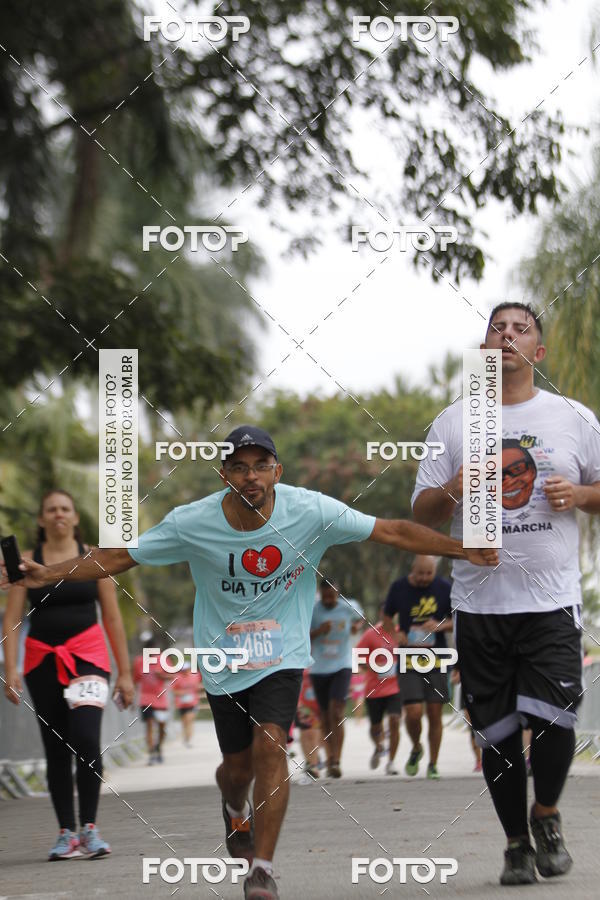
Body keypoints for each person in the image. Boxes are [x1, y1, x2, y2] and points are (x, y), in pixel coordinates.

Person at [3, 426, 497, 900]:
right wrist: (48, 574)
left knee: (271, 744)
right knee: (235, 770)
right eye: (239, 468)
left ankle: (262, 869)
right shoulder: (192, 521)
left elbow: (391, 531)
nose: (251, 478)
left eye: (261, 466)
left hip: (282, 655)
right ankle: (233, 806)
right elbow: (116, 559)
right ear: (223, 476)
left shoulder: (309, 511)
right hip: (224, 660)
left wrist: (463, 549)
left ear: (277, 471)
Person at [412, 302, 600, 885]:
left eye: (521, 329)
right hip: (480, 603)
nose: (508, 336)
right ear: (484, 348)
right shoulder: (453, 422)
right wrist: (453, 486)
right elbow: (421, 513)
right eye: (498, 328)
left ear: (537, 353)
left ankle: (545, 814)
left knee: (554, 721)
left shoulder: (573, 417)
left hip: (551, 601)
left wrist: (584, 496)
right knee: (494, 732)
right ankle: (515, 843)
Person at [1, 489, 134, 860]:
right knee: (56, 746)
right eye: (51, 510)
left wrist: (125, 673)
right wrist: (10, 668)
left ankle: (89, 828)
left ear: (75, 517)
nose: (58, 514)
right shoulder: (26, 562)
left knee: (87, 738)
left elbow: (111, 617)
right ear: (42, 520)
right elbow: (11, 619)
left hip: (89, 658)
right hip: (41, 661)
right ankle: (65, 834)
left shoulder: (94, 558)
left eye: (65, 508)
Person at [382, 555, 453, 780]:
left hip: (437, 656)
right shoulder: (399, 587)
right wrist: (396, 634)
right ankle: (416, 747)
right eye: (420, 573)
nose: (424, 578)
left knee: (434, 712)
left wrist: (441, 625)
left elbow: (458, 619)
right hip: (408, 657)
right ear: (413, 569)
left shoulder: (445, 587)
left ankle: (433, 763)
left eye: (429, 574)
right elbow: (385, 617)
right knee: (413, 713)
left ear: (435, 571)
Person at [309, 579, 365, 778]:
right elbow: (303, 636)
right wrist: (318, 631)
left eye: (332, 596)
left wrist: (356, 626)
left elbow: (361, 619)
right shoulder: (313, 610)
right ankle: (329, 754)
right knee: (325, 716)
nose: (328, 600)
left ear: (338, 594)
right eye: (325, 596)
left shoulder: (349, 606)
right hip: (319, 668)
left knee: (337, 712)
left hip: (342, 664)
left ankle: (336, 760)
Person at [354, 604, 403, 775]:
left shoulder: (400, 633)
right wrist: (371, 664)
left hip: (395, 687)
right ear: (382, 614)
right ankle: (379, 746)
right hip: (374, 689)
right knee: (376, 727)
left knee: (395, 720)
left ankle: (391, 761)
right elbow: (357, 656)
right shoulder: (370, 634)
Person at [132, 639, 173, 763]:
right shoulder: (139, 661)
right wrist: (132, 698)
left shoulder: (163, 660)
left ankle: (158, 747)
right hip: (145, 698)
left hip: (161, 699)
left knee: (161, 726)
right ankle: (151, 753)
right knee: (149, 724)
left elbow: (173, 675)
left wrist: (162, 676)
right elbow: (135, 680)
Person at [294, 668, 324, 779]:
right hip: (302, 699)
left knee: (319, 732)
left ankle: (313, 758)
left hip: (320, 697)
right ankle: (312, 764)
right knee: (307, 731)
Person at [450, 668, 482, 772]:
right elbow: (453, 680)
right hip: (468, 693)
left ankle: (493, 758)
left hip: (487, 690)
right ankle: (479, 760)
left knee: (490, 727)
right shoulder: (464, 653)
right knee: (473, 729)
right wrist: (459, 676)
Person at [173, 660, 202, 747]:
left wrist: (196, 690)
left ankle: (188, 739)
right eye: (183, 670)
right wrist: (182, 693)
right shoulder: (177, 678)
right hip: (181, 704)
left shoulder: (196, 675)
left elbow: (199, 685)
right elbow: (173, 691)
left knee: (189, 720)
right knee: (185, 722)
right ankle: (185, 737)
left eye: (186, 669)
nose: (184, 671)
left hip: (193, 703)